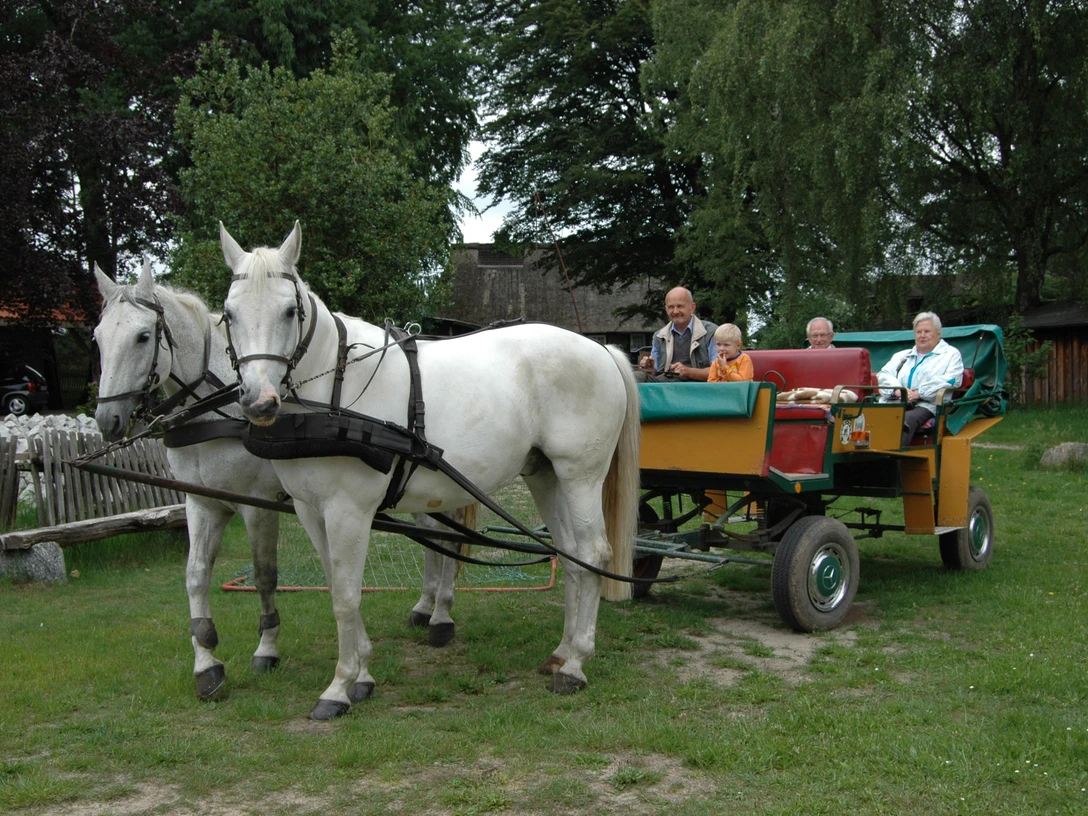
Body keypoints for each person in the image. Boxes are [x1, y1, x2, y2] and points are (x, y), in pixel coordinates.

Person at [877, 312, 964, 446]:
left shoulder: (951, 355)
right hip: (897, 401)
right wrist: (898, 390)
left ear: (938, 333)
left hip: (927, 405)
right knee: (869, 415)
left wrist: (919, 393)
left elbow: (952, 379)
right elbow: (884, 374)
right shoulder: (903, 356)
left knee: (903, 420)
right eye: (918, 332)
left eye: (927, 331)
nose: (922, 336)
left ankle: (891, 459)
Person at [636, 287, 718, 381]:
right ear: (666, 309)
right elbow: (654, 372)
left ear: (692, 307)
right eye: (671, 307)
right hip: (667, 387)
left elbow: (718, 372)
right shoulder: (659, 336)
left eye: (680, 306)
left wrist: (688, 371)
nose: (675, 311)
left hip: (700, 388)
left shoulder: (711, 332)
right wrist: (649, 369)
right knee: (636, 377)